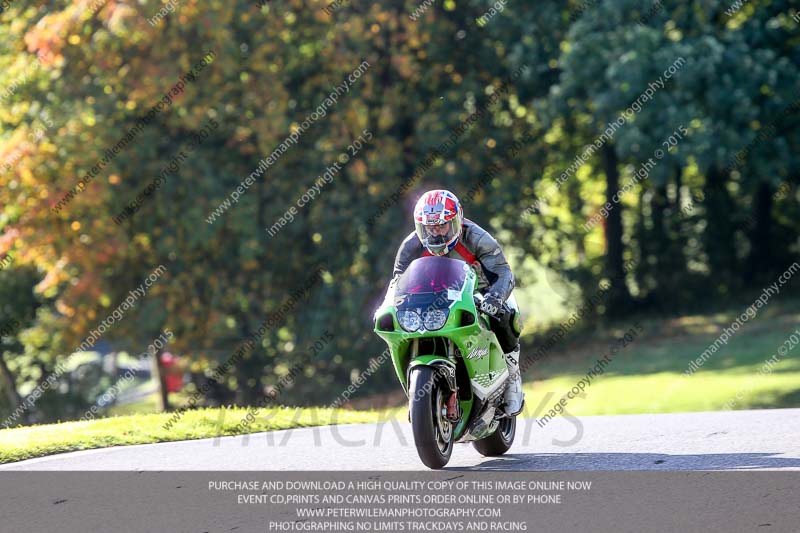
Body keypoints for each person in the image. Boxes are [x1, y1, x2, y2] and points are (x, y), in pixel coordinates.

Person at [392, 189, 524, 415]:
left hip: (480, 292)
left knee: (506, 315)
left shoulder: (477, 237)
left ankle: (512, 379)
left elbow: (503, 273)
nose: (436, 233)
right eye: (429, 227)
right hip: (431, 298)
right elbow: (397, 281)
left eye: (442, 226)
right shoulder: (411, 245)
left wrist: (495, 297)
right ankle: (418, 395)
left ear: (457, 221)